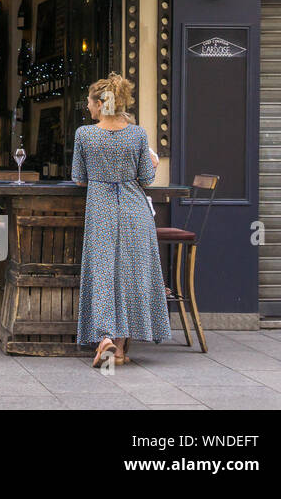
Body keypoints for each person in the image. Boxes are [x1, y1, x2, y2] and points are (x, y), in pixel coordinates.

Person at [74, 73, 171, 367]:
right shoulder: (138, 134)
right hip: (134, 211)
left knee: (103, 274)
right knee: (130, 276)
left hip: (102, 210)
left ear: (101, 103)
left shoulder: (85, 135)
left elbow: (79, 179)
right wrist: (151, 164)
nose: (87, 108)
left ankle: (105, 338)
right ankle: (118, 349)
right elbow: (145, 179)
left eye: (90, 102)